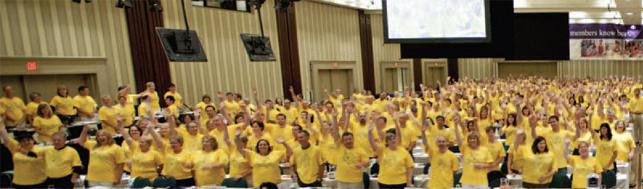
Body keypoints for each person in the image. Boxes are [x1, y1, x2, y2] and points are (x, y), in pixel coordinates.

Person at [368, 113, 414, 188]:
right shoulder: (382, 150)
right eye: (390, 139)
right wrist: (369, 132)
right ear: (387, 141)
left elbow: (410, 167)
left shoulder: (403, 151)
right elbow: (372, 143)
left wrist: (409, 182)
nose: (392, 140)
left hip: (400, 182)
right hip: (384, 182)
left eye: (394, 138)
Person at [0, 119, 47, 188]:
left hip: (38, 182)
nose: (26, 142)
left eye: (28, 140)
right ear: (20, 143)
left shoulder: (41, 149)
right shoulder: (16, 147)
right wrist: (1, 124)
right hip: (20, 183)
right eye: (23, 141)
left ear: (33, 140)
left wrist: (24, 151)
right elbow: (6, 137)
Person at [330, 112, 369, 189]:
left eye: (350, 139)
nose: (348, 141)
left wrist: (362, 164)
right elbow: (336, 133)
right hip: (341, 181)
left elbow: (367, 162)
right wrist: (334, 119)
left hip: (356, 181)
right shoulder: (340, 147)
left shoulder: (360, 150)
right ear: (343, 141)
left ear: (353, 139)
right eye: (346, 140)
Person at [454, 114, 494, 188]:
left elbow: (491, 164)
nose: (472, 140)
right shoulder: (465, 148)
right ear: (468, 141)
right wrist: (456, 126)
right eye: (470, 139)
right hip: (467, 181)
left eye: (474, 138)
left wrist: (482, 165)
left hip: (481, 181)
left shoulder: (484, 150)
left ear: (477, 140)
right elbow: (458, 140)